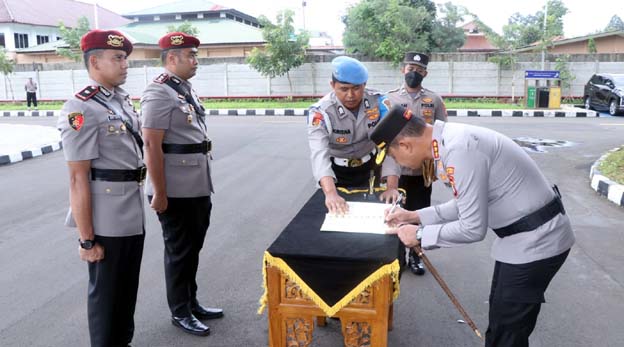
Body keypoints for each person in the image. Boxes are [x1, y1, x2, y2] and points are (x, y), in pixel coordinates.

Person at [372, 106, 575, 347]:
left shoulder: (460, 149)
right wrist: (414, 216)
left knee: (507, 332)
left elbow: (472, 227)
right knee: (501, 321)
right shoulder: (450, 141)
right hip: (521, 240)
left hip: (538, 240)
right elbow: (464, 205)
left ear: (405, 145)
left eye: (394, 157)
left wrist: (418, 235)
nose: (399, 163)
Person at [57, 30, 145, 347]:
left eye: (125, 58)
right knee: (107, 297)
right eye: (118, 58)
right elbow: (78, 178)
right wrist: (86, 239)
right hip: (106, 220)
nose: (125, 65)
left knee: (126, 291)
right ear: (94, 61)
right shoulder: (81, 108)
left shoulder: (119, 101)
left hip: (131, 211)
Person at [141, 32, 222, 337]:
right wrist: (159, 191)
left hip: (196, 184)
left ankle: (192, 302)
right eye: (190, 55)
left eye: (195, 55)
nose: (195, 60)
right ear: (171, 58)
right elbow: (151, 143)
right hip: (174, 189)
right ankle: (180, 312)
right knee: (179, 251)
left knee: (192, 248)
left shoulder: (183, 89)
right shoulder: (159, 92)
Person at [308, 56, 401, 214]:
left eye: (357, 88)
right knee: (337, 216)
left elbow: (391, 143)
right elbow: (319, 153)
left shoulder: (379, 103)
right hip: (336, 172)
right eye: (343, 89)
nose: (350, 95)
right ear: (332, 85)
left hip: (371, 168)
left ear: (364, 85)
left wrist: (392, 187)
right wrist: (330, 193)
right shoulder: (321, 112)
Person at [386, 52, 448, 276]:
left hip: (422, 170)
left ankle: (416, 256)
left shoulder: (434, 99)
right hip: (397, 169)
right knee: (395, 213)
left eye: (419, 70)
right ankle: (396, 258)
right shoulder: (389, 98)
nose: (414, 73)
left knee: (420, 213)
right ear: (403, 69)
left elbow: (443, 133)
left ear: (425, 73)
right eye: (411, 68)